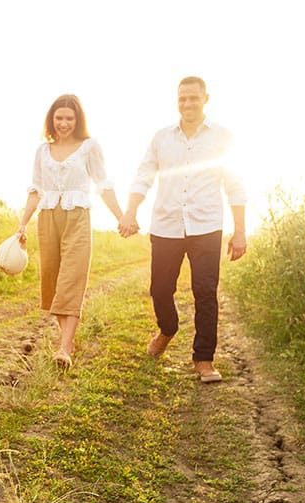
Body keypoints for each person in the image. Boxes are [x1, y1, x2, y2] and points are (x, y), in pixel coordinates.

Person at [119, 76, 247, 382]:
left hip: (207, 226)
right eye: (182, 99)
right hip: (166, 224)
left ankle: (204, 359)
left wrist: (239, 229)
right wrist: (130, 211)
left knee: (205, 292)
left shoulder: (222, 138)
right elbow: (144, 175)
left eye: (193, 98)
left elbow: (235, 185)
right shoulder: (162, 138)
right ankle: (167, 329)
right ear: (177, 102)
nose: (187, 104)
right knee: (160, 289)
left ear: (206, 99)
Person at [17, 94, 125, 369]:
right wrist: (22, 223)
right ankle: (68, 339)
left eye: (69, 118)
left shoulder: (89, 147)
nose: (64, 123)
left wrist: (121, 217)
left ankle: (64, 348)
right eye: (59, 118)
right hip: (48, 217)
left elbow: (103, 184)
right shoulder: (42, 151)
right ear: (51, 120)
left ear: (78, 121)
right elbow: (36, 189)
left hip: (78, 216)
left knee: (72, 278)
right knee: (52, 282)